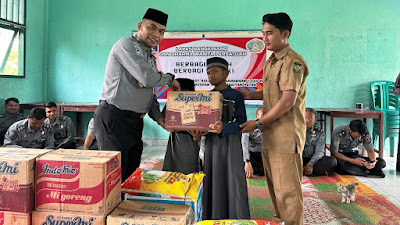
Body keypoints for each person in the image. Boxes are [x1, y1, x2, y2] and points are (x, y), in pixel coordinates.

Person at [94, 8, 180, 183]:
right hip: (114, 119)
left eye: (161, 31)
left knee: (131, 176)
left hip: (134, 122)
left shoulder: (149, 56)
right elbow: (148, 78)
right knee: (113, 177)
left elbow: (149, 92)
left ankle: (125, 210)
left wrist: (158, 117)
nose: (156, 34)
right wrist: (169, 79)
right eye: (152, 27)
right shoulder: (126, 45)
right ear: (140, 26)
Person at [239, 12, 308, 225]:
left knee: (288, 189)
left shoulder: (292, 62)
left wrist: (257, 123)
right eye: (263, 33)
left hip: (286, 135)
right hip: (271, 134)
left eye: (269, 33)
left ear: (285, 33)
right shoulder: (271, 62)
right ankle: (281, 220)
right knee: (275, 186)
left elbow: (287, 100)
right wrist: (250, 94)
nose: (265, 38)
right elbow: (272, 92)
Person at [202, 57, 250, 220]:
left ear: (226, 73)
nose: (211, 75)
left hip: (231, 145)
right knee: (213, 179)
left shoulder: (236, 95)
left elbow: (241, 122)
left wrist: (225, 127)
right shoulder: (206, 97)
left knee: (232, 180)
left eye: (215, 71)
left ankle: (235, 217)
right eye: (208, 72)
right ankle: (212, 217)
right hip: (211, 146)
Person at [162, 78, 205, 174]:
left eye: (182, 91)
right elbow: (164, 116)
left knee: (188, 171)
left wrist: (197, 137)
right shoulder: (174, 102)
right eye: (177, 91)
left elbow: (200, 129)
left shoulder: (197, 105)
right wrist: (172, 97)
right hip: (174, 139)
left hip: (189, 141)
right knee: (172, 168)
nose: (180, 94)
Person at [303, 108, 337, 176]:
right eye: (305, 117)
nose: (307, 120)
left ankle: (305, 171)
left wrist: (310, 164)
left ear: (315, 120)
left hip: (314, 160)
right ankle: (309, 172)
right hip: (300, 159)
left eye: (310, 118)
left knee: (332, 161)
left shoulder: (319, 132)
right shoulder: (295, 131)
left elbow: (319, 151)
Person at [242, 107, 265, 178]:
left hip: (264, 156)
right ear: (256, 116)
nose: (264, 120)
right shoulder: (249, 127)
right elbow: (244, 144)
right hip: (251, 156)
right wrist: (247, 162)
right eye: (262, 117)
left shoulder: (271, 128)